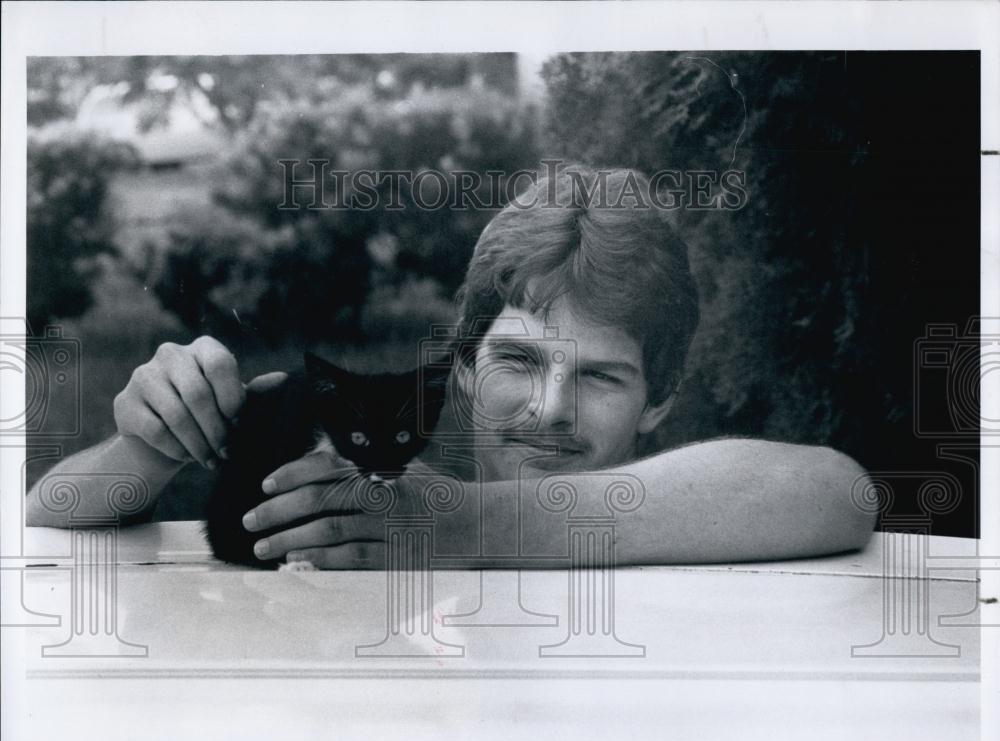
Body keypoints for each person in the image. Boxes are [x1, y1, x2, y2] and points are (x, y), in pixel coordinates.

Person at [26, 165, 876, 567]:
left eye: (601, 376)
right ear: (463, 365)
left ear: (663, 400)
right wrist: (148, 446)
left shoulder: (690, 513)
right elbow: (43, 519)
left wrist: (469, 524)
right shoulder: (375, 473)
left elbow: (840, 490)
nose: (548, 409)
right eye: (516, 358)